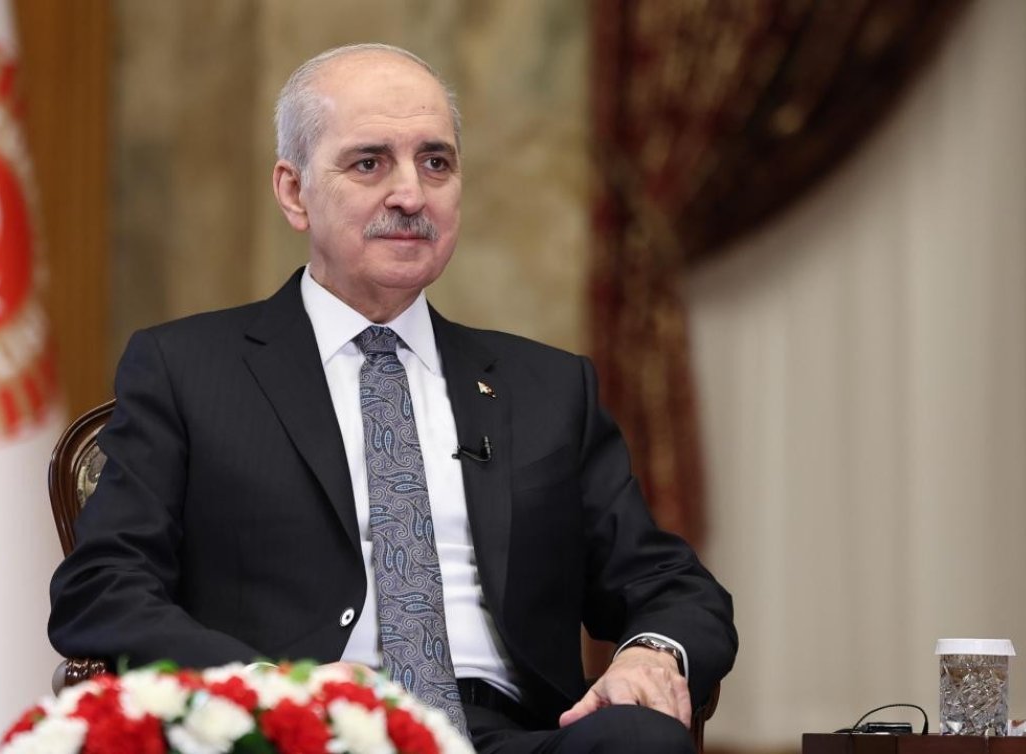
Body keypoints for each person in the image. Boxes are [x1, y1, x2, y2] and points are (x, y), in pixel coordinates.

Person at [49, 43, 736, 754]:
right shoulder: (188, 369)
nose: (411, 195)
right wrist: (266, 694)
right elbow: (103, 586)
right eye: (369, 163)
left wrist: (652, 653)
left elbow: (671, 584)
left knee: (640, 740)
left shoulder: (547, 388)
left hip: (506, 734)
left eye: (435, 162)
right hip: (298, 729)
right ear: (293, 192)